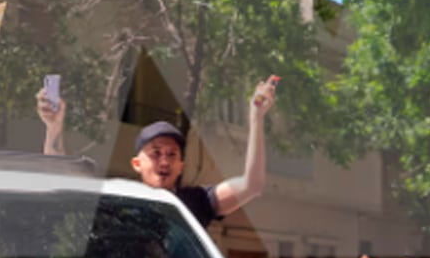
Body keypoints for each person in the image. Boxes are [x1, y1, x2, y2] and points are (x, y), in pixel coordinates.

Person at [39, 76, 278, 229]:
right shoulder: (120, 200)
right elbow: (63, 179)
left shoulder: (196, 201)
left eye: (172, 154)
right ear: (136, 163)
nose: (164, 160)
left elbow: (253, 185)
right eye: (155, 153)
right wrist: (53, 127)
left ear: (182, 165)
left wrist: (255, 119)